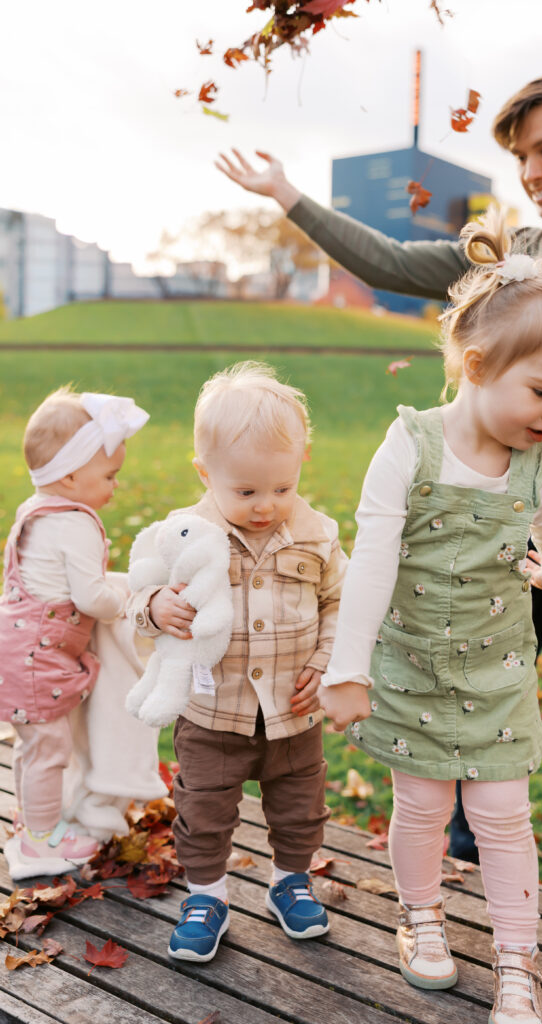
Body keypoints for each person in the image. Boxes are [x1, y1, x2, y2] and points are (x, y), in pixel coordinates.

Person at [215, 10, 542, 906]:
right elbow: (391, 260)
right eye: (518, 156)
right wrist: (290, 197)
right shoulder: (513, 258)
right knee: (466, 706)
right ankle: (454, 882)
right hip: (494, 526)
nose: (529, 172)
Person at [316, 210, 542, 1023]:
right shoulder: (410, 448)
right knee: (421, 807)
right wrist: (346, 670)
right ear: (478, 362)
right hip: (411, 664)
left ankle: (516, 964)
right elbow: (373, 558)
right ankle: (420, 917)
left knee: (502, 815)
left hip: (494, 675)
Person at [128, 362, 347, 964]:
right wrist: (154, 606)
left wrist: (326, 662)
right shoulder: (181, 536)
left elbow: (339, 603)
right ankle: (207, 898)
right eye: (246, 492)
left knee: (300, 807)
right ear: (205, 473)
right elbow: (137, 594)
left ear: (300, 463)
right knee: (203, 811)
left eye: (282, 487)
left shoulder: (317, 536)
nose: (266, 506)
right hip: (211, 710)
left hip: (291, 710)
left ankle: (290, 883)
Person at [0, 387, 149, 877]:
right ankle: (41, 842)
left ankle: (33, 822)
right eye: (109, 476)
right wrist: (126, 600)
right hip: (39, 664)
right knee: (51, 749)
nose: (116, 486)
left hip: (14, 652)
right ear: (69, 475)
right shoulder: (76, 525)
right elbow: (92, 598)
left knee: (33, 745)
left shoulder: (34, 511)